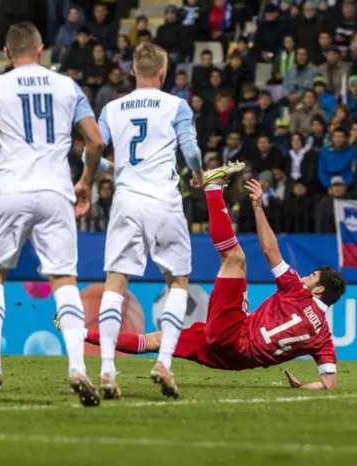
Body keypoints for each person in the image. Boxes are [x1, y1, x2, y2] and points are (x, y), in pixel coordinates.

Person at [83, 173, 345, 390]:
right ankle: (83, 334)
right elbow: (329, 383)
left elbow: (269, 249)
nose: (304, 276)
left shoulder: (297, 291)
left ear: (319, 289)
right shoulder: (324, 338)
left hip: (233, 334)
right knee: (156, 341)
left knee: (235, 258)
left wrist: (257, 207)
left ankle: (212, 190)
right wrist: (303, 388)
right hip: (230, 360)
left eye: (311, 277)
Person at [0, 22, 104, 406]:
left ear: (8, 52)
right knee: (64, 279)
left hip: (9, 189)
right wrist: (85, 181)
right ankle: (78, 366)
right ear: (41, 49)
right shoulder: (67, 86)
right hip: (56, 191)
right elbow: (95, 140)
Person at [93, 43, 205, 400]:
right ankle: (164, 362)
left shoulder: (112, 108)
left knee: (115, 281)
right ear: (162, 71)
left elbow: (91, 149)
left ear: (133, 72)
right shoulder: (176, 105)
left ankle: (107, 369)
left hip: (127, 200)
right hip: (164, 201)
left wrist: (107, 169)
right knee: (178, 280)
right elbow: (191, 150)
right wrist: (198, 173)